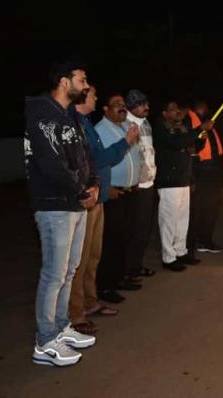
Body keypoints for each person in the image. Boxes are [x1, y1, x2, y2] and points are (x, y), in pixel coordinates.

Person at [24, 60, 99, 367]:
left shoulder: (70, 116)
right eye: (82, 79)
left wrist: (94, 184)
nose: (86, 85)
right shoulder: (42, 114)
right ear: (65, 82)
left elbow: (86, 155)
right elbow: (51, 163)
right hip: (55, 204)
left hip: (75, 203)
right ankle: (45, 341)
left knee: (69, 270)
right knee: (54, 273)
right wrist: (81, 191)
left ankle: (60, 327)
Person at [70, 86, 139, 334]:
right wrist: (126, 142)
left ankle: (90, 301)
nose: (96, 98)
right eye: (92, 94)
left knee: (93, 256)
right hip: (85, 199)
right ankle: (75, 313)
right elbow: (98, 159)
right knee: (79, 260)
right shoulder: (74, 124)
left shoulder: (86, 123)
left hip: (96, 198)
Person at [154, 99, 213, 271]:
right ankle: (168, 257)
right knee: (169, 221)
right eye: (172, 109)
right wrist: (199, 129)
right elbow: (177, 143)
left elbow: (192, 147)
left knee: (182, 220)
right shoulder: (161, 128)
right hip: (169, 181)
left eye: (178, 108)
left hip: (183, 179)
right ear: (164, 113)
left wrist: (202, 138)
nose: (177, 111)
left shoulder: (182, 128)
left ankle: (180, 252)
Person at [94, 94, 144, 301]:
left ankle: (120, 277)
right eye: (117, 105)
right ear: (105, 109)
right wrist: (106, 188)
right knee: (110, 241)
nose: (122, 108)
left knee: (125, 237)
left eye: (124, 105)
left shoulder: (126, 127)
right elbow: (98, 163)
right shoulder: (100, 130)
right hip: (114, 193)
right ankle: (105, 286)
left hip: (130, 191)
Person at [124, 89, 157, 282]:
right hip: (136, 186)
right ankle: (128, 270)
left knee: (144, 229)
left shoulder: (145, 124)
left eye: (146, 103)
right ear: (131, 106)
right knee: (133, 230)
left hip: (148, 183)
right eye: (142, 104)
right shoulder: (126, 125)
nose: (146, 107)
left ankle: (136, 265)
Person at [187, 100, 223, 254]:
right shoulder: (190, 121)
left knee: (210, 208)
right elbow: (191, 147)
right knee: (201, 209)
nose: (207, 109)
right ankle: (200, 241)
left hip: (212, 170)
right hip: (201, 170)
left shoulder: (205, 122)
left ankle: (204, 239)